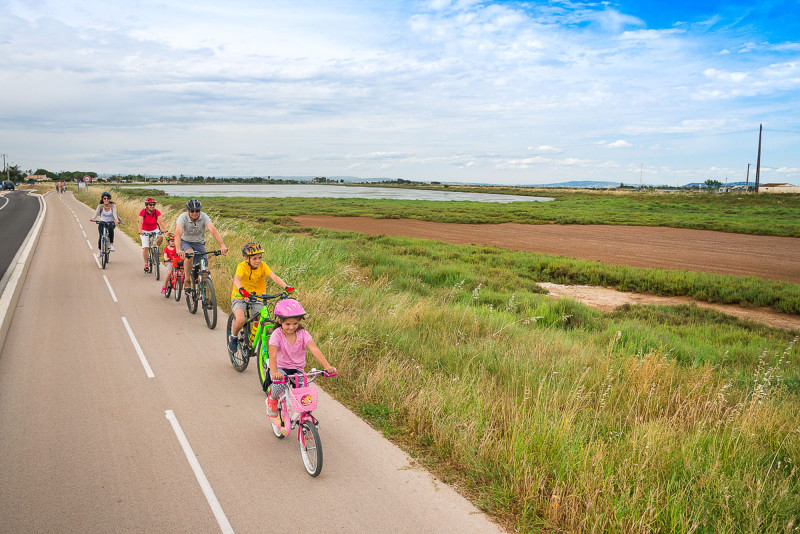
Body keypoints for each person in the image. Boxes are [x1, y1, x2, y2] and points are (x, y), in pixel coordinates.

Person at [266, 299, 335, 420]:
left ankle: (305, 418)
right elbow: (273, 355)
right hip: (281, 368)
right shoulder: (277, 335)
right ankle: (273, 399)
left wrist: (327, 366)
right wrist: (274, 373)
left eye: (295, 323)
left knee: (305, 395)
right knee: (280, 384)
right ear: (280, 321)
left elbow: (314, 349)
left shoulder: (303, 333)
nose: (292, 327)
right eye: (287, 324)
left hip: (298, 370)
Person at [228, 241, 293, 354]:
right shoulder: (241, 266)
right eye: (255, 258)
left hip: (257, 297)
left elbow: (274, 277)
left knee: (266, 324)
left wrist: (286, 286)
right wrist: (242, 290)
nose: (258, 261)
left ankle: (268, 355)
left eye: (260, 258)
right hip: (240, 296)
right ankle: (233, 337)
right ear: (246, 258)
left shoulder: (263, 266)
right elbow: (236, 280)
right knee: (241, 319)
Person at [175, 199, 228, 269]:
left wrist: (222, 245)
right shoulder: (183, 217)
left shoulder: (203, 216)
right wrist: (178, 249)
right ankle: (187, 279)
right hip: (185, 241)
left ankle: (204, 278)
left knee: (205, 268)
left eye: (197, 211)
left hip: (199, 243)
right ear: (188, 211)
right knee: (190, 254)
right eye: (192, 211)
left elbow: (213, 230)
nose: (195, 213)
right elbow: (178, 233)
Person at [138, 197, 166, 273]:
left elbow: (161, 222)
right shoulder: (143, 212)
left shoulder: (157, 212)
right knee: (145, 247)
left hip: (154, 229)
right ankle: (146, 264)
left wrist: (164, 229)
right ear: (147, 205)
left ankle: (157, 248)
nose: (152, 206)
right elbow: (140, 222)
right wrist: (140, 231)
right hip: (144, 230)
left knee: (160, 237)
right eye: (150, 205)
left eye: (153, 204)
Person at [90, 191, 120, 257]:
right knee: (101, 236)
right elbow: (96, 212)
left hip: (110, 222)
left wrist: (116, 220)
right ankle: (99, 250)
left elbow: (114, 213)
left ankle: (111, 244)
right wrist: (93, 218)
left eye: (107, 198)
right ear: (102, 199)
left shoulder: (113, 205)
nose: (106, 200)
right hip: (102, 222)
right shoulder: (100, 206)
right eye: (104, 198)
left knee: (111, 229)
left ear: (109, 199)